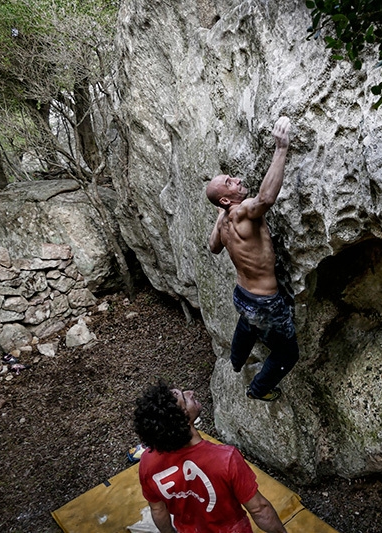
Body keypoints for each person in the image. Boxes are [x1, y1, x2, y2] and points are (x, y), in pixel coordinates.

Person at [206, 116, 299, 402]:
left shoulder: (223, 223)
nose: (237, 180)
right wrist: (281, 149)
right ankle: (259, 389)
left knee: (248, 321)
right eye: (230, 183)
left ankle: (236, 359)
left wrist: (221, 210)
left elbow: (213, 247)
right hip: (265, 301)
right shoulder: (243, 211)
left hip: (243, 295)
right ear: (226, 200)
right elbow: (266, 199)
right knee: (287, 352)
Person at [133, 381, 288, 533]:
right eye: (185, 398)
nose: (190, 392)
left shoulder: (147, 461)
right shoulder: (226, 459)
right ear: (183, 420)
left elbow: (158, 510)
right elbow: (260, 509)